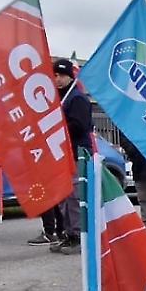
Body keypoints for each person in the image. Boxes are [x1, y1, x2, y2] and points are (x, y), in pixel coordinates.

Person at [50, 58, 92, 255]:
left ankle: (78, 234)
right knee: (63, 198)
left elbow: (80, 126)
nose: (57, 79)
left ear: (69, 76)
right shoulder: (57, 98)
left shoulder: (77, 98)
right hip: (61, 155)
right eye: (55, 76)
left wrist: (58, 128)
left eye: (60, 75)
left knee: (74, 196)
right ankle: (67, 232)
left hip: (75, 154)